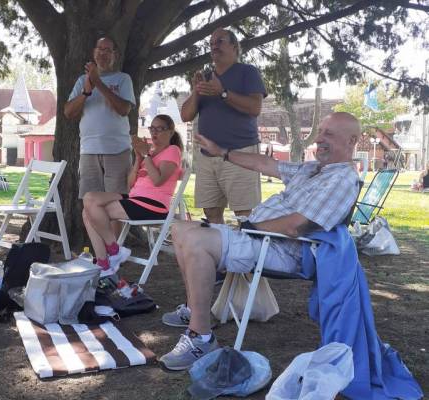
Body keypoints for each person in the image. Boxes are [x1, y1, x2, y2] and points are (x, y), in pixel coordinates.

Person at [159, 112, 361, 371]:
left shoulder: (342, 178)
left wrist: (251, 226)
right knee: (180, 229)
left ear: (352, 140)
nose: (319, 139)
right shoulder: (314, 170)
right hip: (260, 237)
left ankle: (201, 337)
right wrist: (223, 152)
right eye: (320, 131)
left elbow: (295, 225)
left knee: (198, 240)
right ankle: (193, 309)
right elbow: (264, 165)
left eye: (329, 134)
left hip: (282, 250)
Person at [181, 28, 267, 224]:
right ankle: (220, 254)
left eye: (219, 41)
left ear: (235, 47)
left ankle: (248, 255)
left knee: (244, 215)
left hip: (240, 153)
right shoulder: (206, 76)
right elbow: (186, 115)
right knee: (211, 212)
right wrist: (196, 90)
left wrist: (223, 93)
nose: (214, 46)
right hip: (207, 156)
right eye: (211, 43)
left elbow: (255, 108)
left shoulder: (248, 72)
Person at [82, 114, 183, 271]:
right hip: (135, 198)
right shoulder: (151, 152)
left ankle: (108, 258)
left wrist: (145, 155)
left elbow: (158, 180)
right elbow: (130, 184)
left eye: (160, 129)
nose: (154, 133)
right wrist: (138, 159)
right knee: (89, 200)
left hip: (153, 205)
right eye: (152, 128)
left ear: (170, 132)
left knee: (90, 212)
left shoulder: (173, 150)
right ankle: (109, 254)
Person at [64, 36, 135, 204]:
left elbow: (124, 109)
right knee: (89, 202)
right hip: (89, 150)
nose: (103, 53)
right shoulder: (82, 81)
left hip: (117, 149)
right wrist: (86, 92)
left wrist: (98, 82)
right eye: (100, 49)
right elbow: (68, 112)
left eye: (108, 50)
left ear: (114, 55)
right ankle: (96, 232)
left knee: (117, 203)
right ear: (94, 53)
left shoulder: (123, 79)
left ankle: (115, 232)